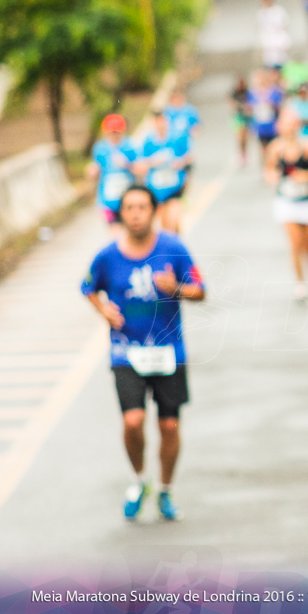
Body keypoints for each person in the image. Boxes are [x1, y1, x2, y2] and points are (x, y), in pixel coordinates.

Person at [82, 185, 206, 521]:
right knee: (132, 420)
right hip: (126, 352)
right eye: (129, 208)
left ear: (154, 211)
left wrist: (177, 289)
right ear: (121, 214)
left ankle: (165, 489)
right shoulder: (107, 256)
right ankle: (140, 480)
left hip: (169, 352)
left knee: (168, 426)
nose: (136, 214)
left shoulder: (173, 248)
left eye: (142, 207)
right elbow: (87, 286)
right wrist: (103, 310)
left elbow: (201, 290)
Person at [264, 109, 308, 300]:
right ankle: (301, 283)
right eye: (285, 124)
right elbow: (268, 171)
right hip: (287, 202)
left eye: (292, 124)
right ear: (279, 126)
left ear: (298, 126)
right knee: (294, 244)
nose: (289, 128)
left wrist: (306, 176)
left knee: (307, 245)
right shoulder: (275, 149)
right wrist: (272, 177)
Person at [87, 114, 141, 230]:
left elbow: (141, 170)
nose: (114, 135)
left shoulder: (129, 146)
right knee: (114, 234)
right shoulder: (100, 148)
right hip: (108, 199)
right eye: (111, 132)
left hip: (128, 200)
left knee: (129, 232)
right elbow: (96, 166)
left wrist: (126, 164)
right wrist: (92, 171)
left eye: (116, 132)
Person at [141, 109, 192, 234]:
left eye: (163, 121)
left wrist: (180, 162)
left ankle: (176, 244)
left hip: (175, 187)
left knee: (173, 220)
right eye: (157, 122)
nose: (160, 124)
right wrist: (154, 162)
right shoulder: (148, 141)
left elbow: (189, 157)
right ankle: (175, 244)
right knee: (165, 226)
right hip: (157, 189)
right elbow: (141, 164)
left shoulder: (178, 137)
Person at [249, 68, 285, 156]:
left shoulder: (274, 91)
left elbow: (280, 107)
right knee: (263, 148)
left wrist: (272, 105)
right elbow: (250, 110)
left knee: (275, 147)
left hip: (272, 125)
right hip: (260, 125)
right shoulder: (252, 93)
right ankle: (266, 166)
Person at [257, 0, 291, 70]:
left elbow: (285, 23)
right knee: (269, 62)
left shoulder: (279, 10)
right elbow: (262, 28)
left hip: (278, 39)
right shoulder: (261, 13)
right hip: (268, 41)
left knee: (281, 61)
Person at [230, 75, 252, 167]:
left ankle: (244, 153)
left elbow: (251, 103)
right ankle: (240, 153)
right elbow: (232, 104)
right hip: (238, 116)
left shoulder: (247, 92)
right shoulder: (235, 92)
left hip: (246, 117)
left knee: (245, 137)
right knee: (239, 136)